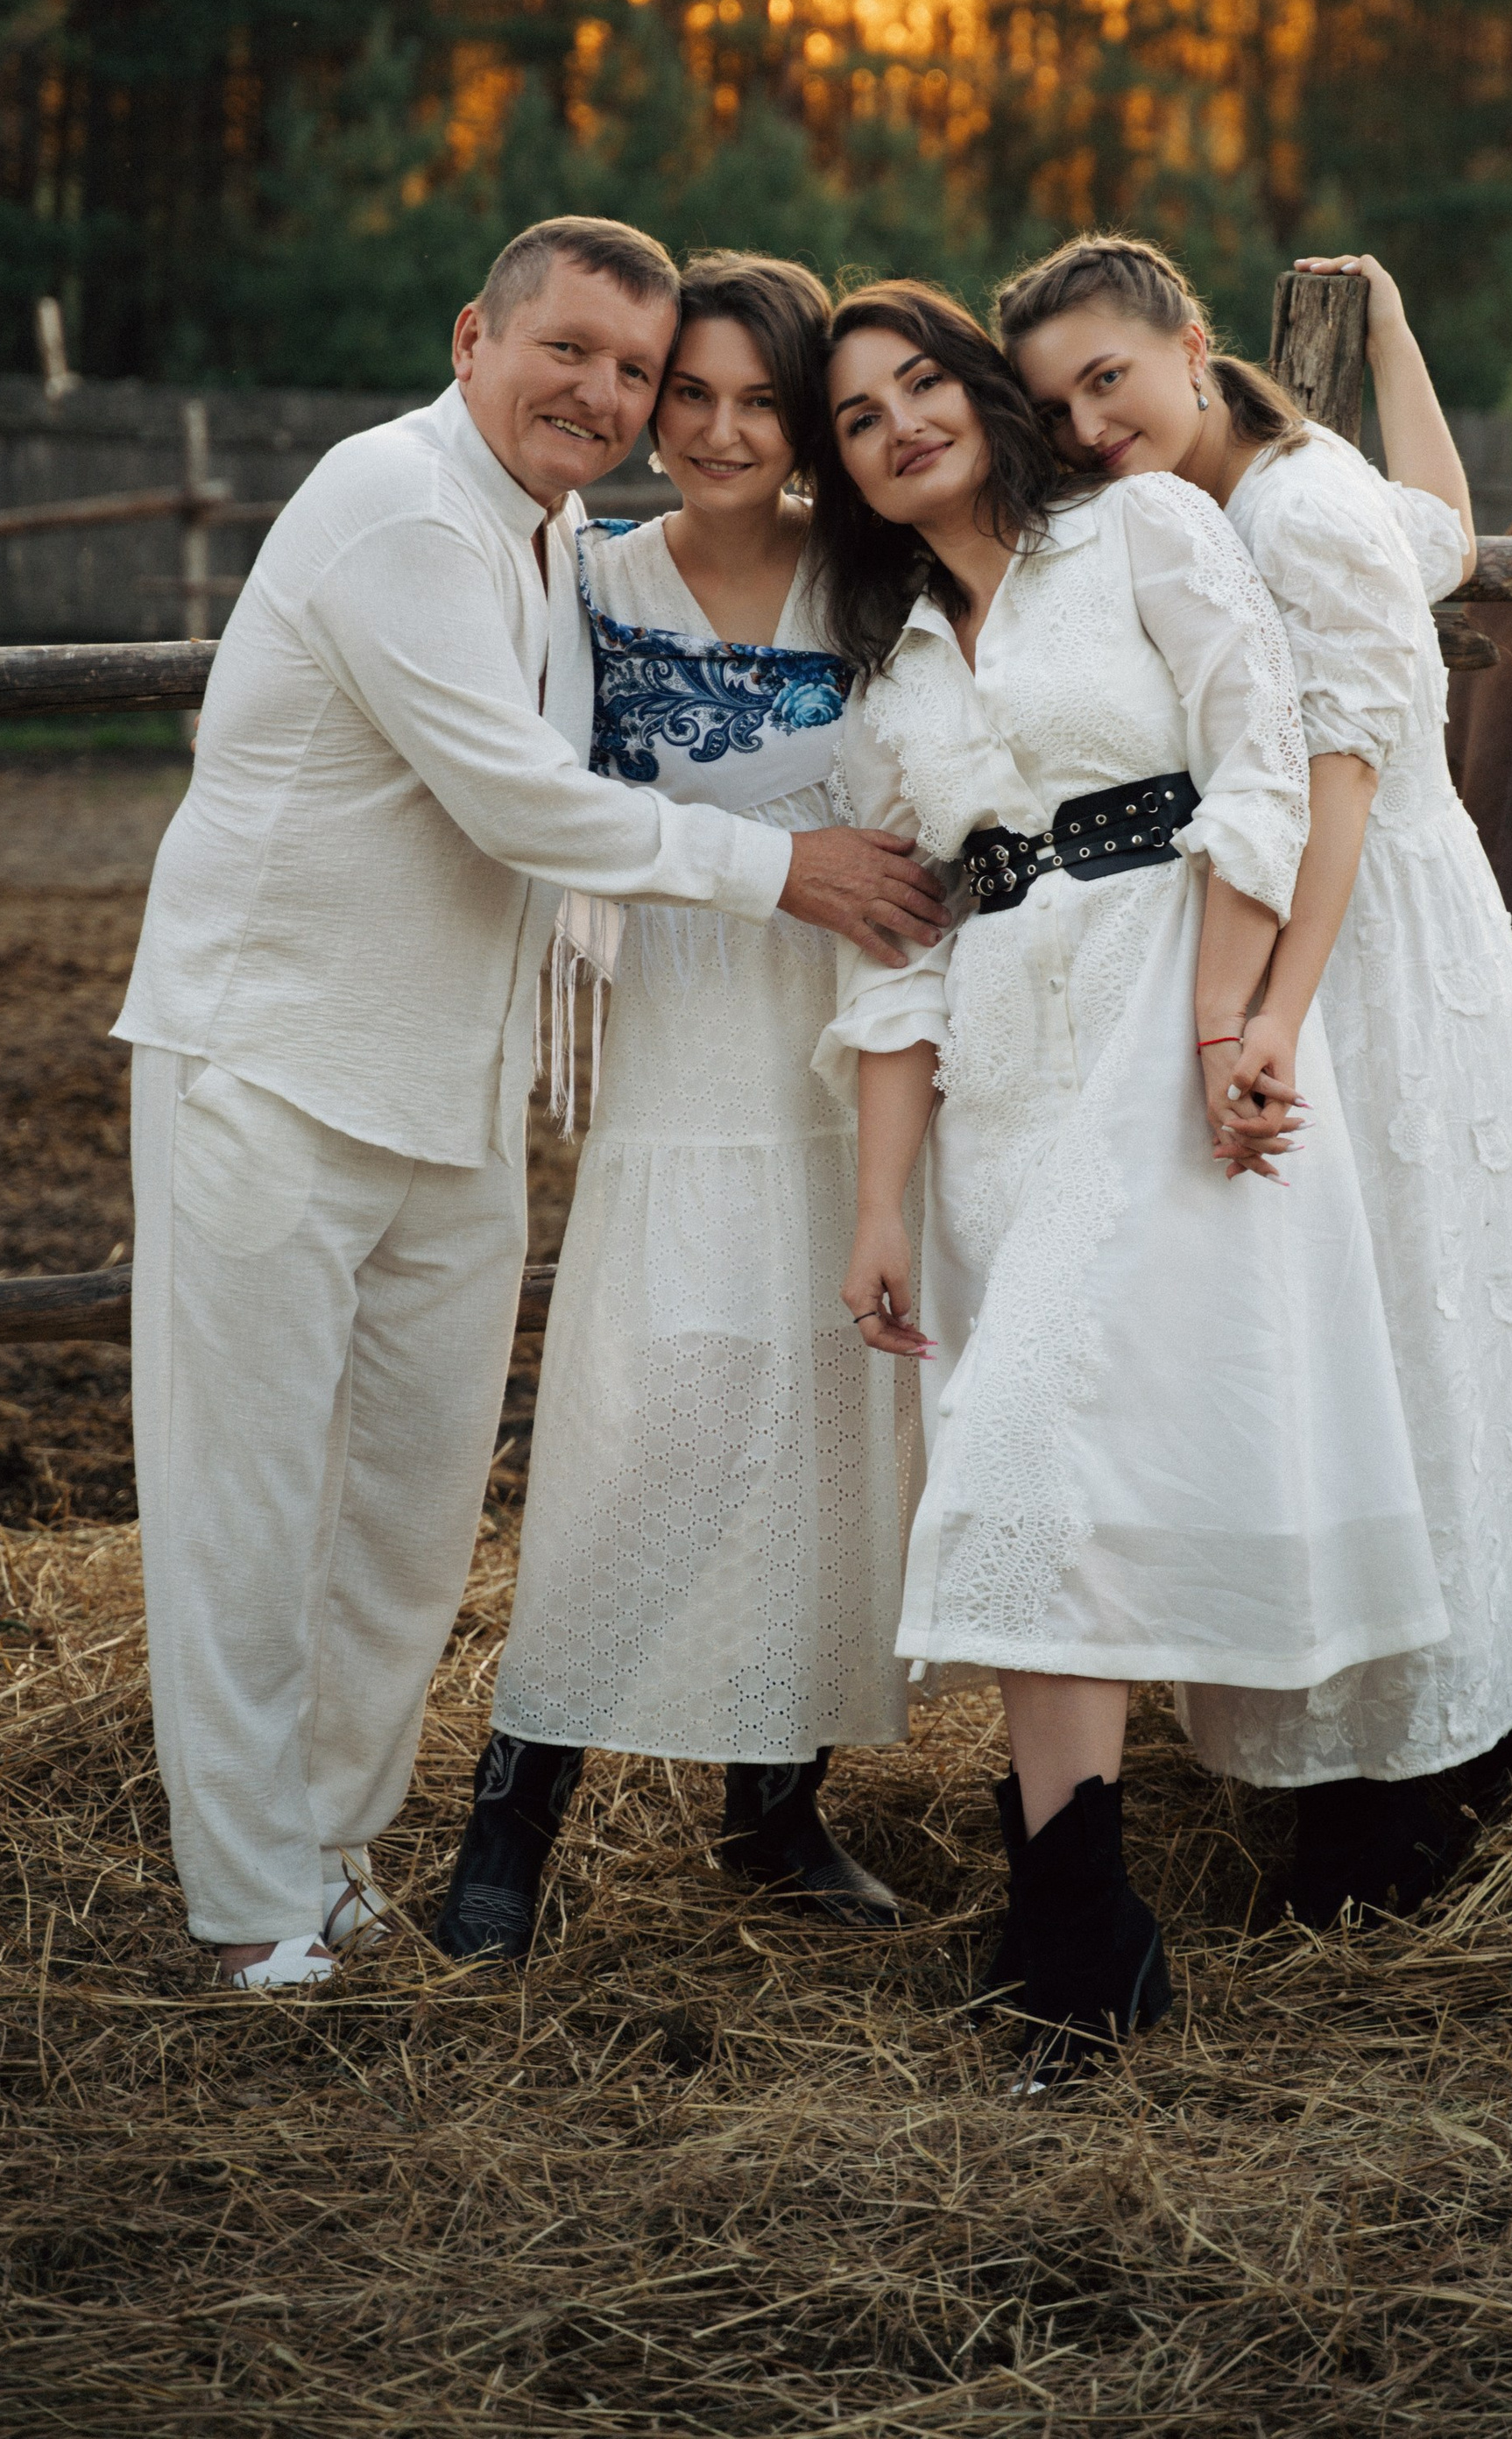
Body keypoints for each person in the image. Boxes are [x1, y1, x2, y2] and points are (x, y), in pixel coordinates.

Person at [112, 216, 943, 1990]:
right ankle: (253, 1901)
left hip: (454, 1095)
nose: (606, 393)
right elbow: (515, 798)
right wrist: (777, 867)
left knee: (408, 1524)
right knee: (250, 1508)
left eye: (628, 370)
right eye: (572, 351)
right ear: (476, 332)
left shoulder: (555, 534)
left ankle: (335, 1854)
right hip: (271, 1064)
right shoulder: (403, 509)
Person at [809, 280, 1447, 2081]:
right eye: (854, 421)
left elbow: (1256, 769)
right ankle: (1082, 1917)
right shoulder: (892, 669)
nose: (897, 429)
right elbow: (901, 960)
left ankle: (1072, 1932)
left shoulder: (1142, 530)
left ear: (978, 398)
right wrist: (880, 1203)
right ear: (840, 471)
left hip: (1166, 1022)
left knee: (1022, 1450)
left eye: (918, 386)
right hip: (1003, 1070)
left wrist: (1222, 1029)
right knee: (1044, 1488)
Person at [998, 234, 1512, 1923]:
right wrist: (1400, 332)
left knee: (1388, 1312)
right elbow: (1455, 535)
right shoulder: (1291, 476)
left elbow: (1338, 777)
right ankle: (1404, 1716)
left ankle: (1401, 1770)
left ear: (1191, 345)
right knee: (1400, 1314)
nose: (1091, 424)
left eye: (1111, 376)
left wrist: (1270, 1010)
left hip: (1368, 945)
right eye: (1057, 404)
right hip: (1372, 927)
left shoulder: (1287, 513)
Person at [435, 254, 913, 1964]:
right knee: (644, 1432)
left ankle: (774, 1810)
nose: (714, 430)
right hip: (677, 1066)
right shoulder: (594, 585)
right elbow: (527, 792)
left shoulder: (876, 592)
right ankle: (512, 1810)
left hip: (838, 1057)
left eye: (757, 401)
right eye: (685, 393)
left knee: (822, 1438)